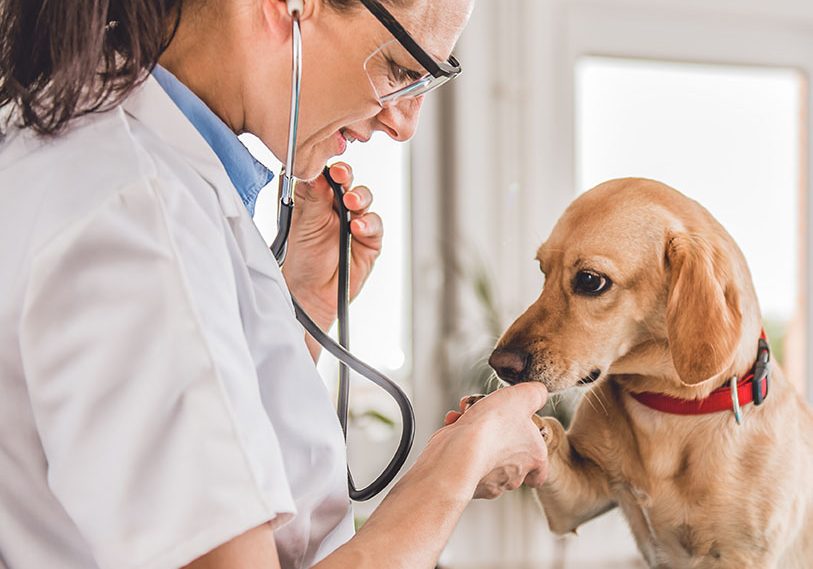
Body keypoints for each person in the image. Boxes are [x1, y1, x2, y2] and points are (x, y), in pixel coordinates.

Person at [0, 1, 549, 568]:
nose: (403, 123)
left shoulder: (96, 157)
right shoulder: (135, 219)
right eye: (401, 70)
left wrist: (300, 308)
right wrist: (457, 465)